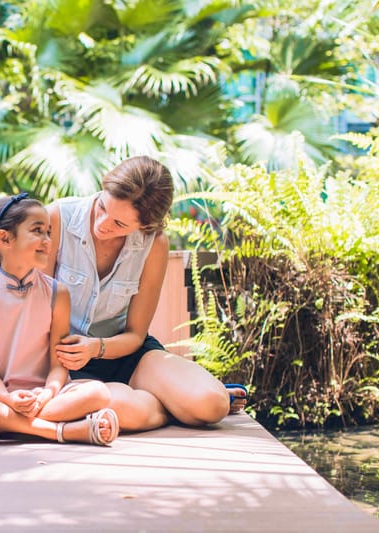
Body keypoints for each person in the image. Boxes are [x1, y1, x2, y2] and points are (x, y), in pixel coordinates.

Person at [44, 156, 246, 433]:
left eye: (119, 224)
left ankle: (175, 399)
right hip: (60, 361)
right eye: (102, 207)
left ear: (146, 225)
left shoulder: (154, 244)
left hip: (123, 354)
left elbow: (135, 335)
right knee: (126, 409)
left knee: (212, 405)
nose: (102, 224)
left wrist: (96, 347)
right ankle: (169, 404)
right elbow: (32, 311)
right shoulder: (56, 218)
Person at [0, 194, 120, 446]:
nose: (47, 241)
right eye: (37, 231)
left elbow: (59, 366)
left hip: (44, 395)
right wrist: (8, 400)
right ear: (4, 239)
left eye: (48, 232)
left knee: (98, 392)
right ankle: (60, 431)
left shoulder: (58, 293)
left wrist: (47, 394)